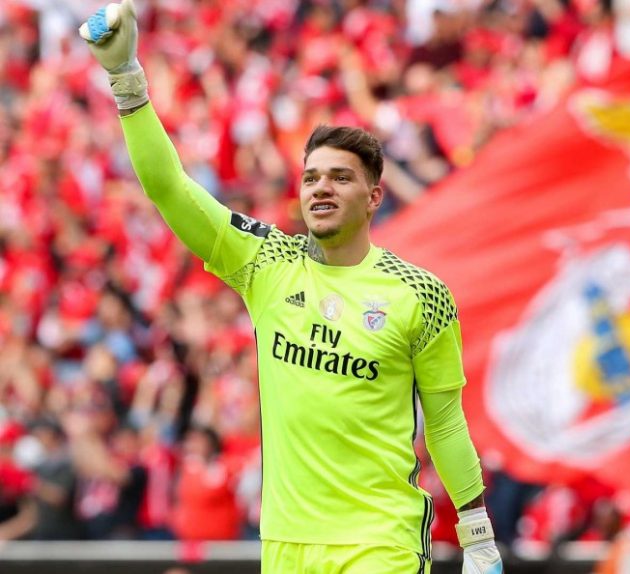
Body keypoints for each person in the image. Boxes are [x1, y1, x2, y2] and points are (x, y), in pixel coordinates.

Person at [79, 2, 502, 572]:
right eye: (311, 177)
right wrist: (126, 80)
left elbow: (446, 421)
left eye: (341, 177)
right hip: (284, 546)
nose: (321, 188)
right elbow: (169, 188)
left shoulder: (421, 295)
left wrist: (477, 536)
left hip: (382, 543)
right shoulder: (267, 262)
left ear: (374, 197)